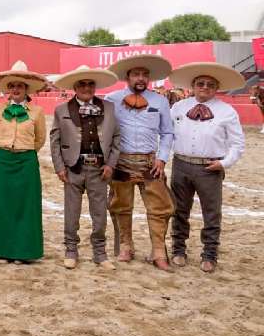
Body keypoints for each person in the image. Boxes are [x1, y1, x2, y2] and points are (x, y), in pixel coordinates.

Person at [169, 62, 245, 273]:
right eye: (200, 83)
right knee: (179, 210)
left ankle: (209, 254)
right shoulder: (178, 108)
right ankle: (178, 250)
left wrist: (223, 163)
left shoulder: (227, 111)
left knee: (211, 213)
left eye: (210, 84)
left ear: (217, 87)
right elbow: (166, 134)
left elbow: (237, 143)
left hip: (210, 168)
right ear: (193, 85)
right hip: (181, 165)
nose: (205, 87)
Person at [105, 54, 175, 271]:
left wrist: (162, 157)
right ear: (127, 76)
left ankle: (158, 251)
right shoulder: (112, 99)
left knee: (160, 208)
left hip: (150, 162)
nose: (141, 78)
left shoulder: (160, 101)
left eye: (145, 74)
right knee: (121, 205)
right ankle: (126, 246)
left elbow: (167, 132)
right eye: (136, 74)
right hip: (121, 160)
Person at [50, 65, 120, 270]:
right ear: (75, 86)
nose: (87, 88)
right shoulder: (61, 109)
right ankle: (71, 250)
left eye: (90, 84)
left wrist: (110, 164)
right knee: (72, 212)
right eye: (82, 84)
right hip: (73, 168)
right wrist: (59, 167)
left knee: (99, 213)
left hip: (99, 169)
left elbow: (116, 138)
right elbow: (54, 140)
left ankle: (100, 253)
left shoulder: (109, 107)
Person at [0, 61, 47, 264]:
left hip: (26, 161)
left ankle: (23, 251)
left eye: (20, 86)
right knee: (1, 205)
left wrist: (24, 150)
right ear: (8, 90)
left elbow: (40, 139)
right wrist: (5, 150)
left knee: (25, 206)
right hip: (3, 160)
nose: (16, 89)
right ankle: (2, 250)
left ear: (26, 89)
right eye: (12, 86)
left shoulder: (36, 112)